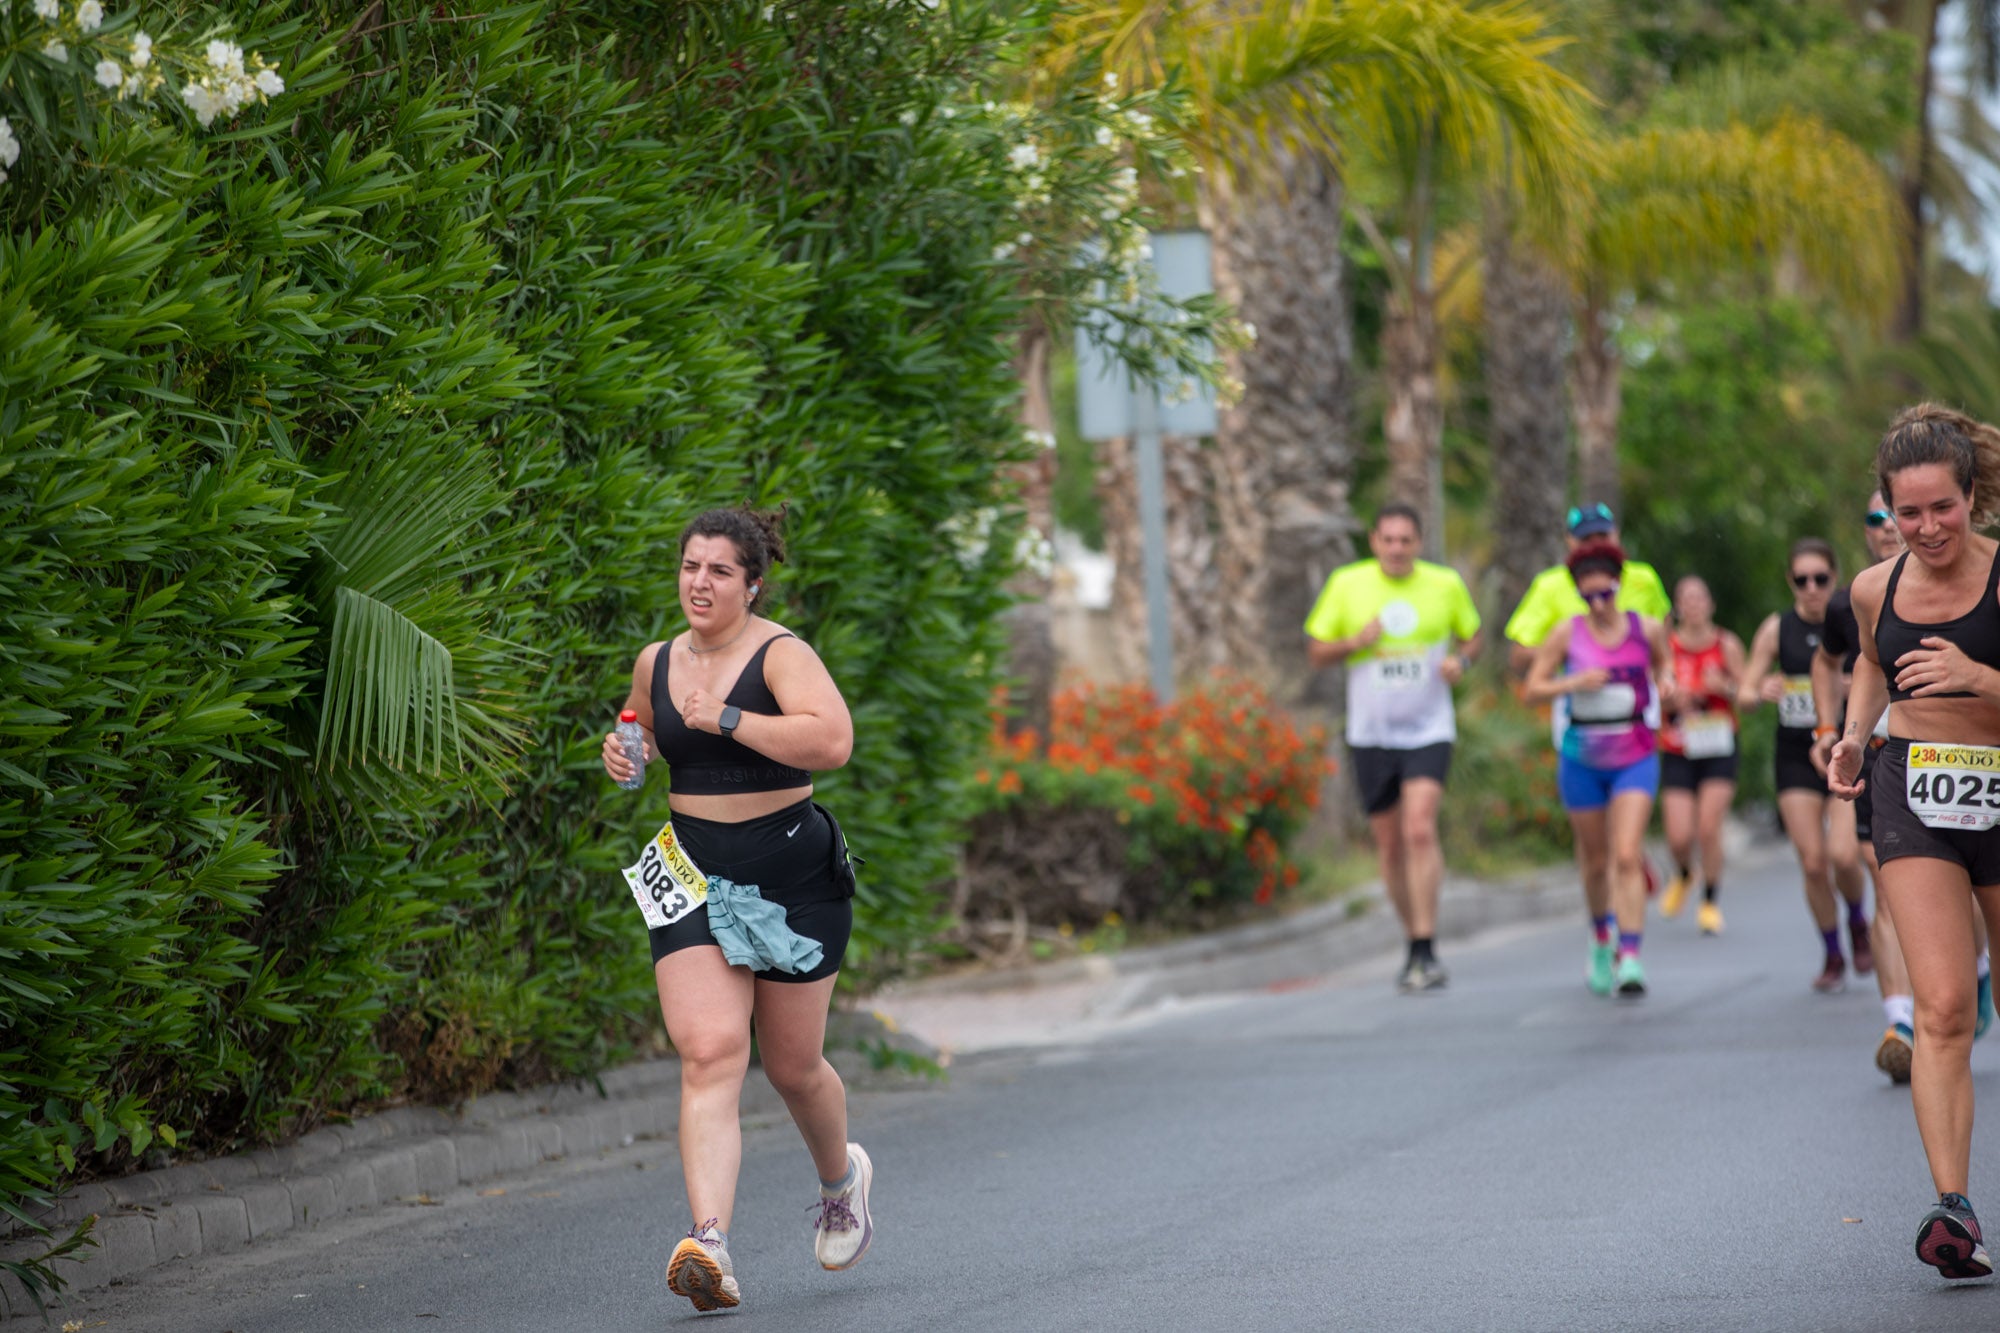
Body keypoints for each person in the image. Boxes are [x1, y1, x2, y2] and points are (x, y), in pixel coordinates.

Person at [600, 507, 873, 1312]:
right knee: (710, 1050)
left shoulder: (780, 653)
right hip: (692, 870)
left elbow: (831, 740)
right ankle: (709, 1243)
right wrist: (624, 754)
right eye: (690, 566)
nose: (700, 582)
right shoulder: (657, 661)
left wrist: (726, 716)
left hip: (793, 874)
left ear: (751, 584)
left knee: (792, 1065)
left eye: (719, 570)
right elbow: (638, 733)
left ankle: (841, 1180)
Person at [1828, 403, 2000, 1281]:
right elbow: (1869, 658)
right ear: (1887, 508)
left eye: (1944, 508)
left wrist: (1979, 676)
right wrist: (1857, 733)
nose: (1927, 528)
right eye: (1909, 512)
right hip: (1914, 795)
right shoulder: (1873, 587)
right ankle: (1954, 1210)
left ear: (1973, 497)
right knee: (1941, 1010)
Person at [1306, 502, 1482, 992]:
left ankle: (1426, 946)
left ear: (1419, 543)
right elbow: (1316, 651)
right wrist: (1354, 642)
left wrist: (1461, 664)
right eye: (1389, 540)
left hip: (1429, 728)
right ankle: (1412, 940)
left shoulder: (1444, 584)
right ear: (1374, 542)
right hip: (1372, 733)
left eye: (1407, 540)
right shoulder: (1347, 584)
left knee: (1420, 829)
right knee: (1389, 845)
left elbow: (1473, 638)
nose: (1398, 549)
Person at [1524, 540, 1677, 997]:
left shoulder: (1645, 629)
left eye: (1605, 594)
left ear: (1618, 586)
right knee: (1594, 862)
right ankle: (1600, 937)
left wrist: (1666, 683)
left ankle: (1630, 955)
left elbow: (1664, 665)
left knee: (1626, 854)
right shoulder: (1566, 634)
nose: (1598, 604)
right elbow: (1532, 688)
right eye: (1588, 597)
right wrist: (1573, 682)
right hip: (1582, 757)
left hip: (1634, 751)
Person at [1812, 492, 1921, 1081]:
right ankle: (1899, 1020)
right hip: (1880, 756)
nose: (1889, 528)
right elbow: (1839, 663)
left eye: (1895, 516)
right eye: (1879, 518)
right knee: (1875, 879)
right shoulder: (1858, 597)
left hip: (1956, 763)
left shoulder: (1967, 584)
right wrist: (1836, 731)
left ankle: (1975, 972)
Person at [1740, 538, 1872, 993]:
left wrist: (1849, 683)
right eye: (1802, 580)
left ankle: (1857, 918)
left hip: (1843, 750)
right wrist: (1762, 690)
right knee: (1814, 864)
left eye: (1820, 579)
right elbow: (1743, 691)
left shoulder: (1852, 618)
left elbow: (1883, 674)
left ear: (1834, 577)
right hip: (1796, 755)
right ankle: (1833, 951)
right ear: (1790, 583)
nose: (1812, 588)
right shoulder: (1776, 629)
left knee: (1842, 855)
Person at [1656, 576, 1744, 935]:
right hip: (1678, 746)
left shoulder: (1727, 644)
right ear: (1677, 607)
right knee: (1678, 837)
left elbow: (1748, 694)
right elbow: (1651, 693)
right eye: (1685, 599)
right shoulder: (1667, 647)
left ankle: (1709, 902)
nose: (1693, 605)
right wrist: (1669, 699)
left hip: (1719, 745)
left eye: (1699, 598)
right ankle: (1684, 874)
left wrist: (1724, 687)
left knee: (1708, 827)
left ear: (1710, 604)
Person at [1504, 503, 1672, 676]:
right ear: (1569, 540)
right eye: (1586, 539)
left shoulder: (1644, 578)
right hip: (1576, 692)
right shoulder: (1549, 585)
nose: (1596, 545)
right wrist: (1574, 655)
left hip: (1637, 691)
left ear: (1616, 534)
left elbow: (1664, 623)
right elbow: (1519, 655)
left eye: (1603, 536)